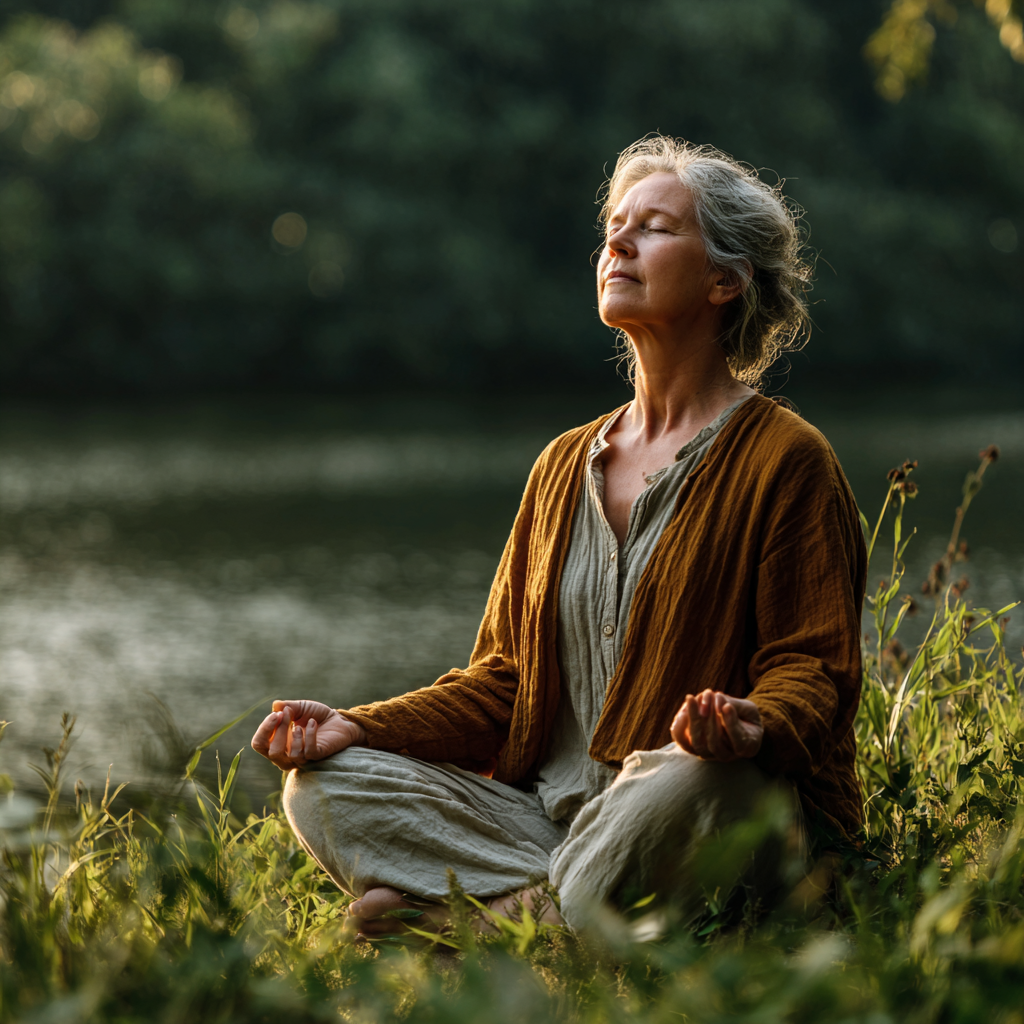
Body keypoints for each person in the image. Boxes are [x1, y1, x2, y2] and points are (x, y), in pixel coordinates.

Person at [251, 135, 867, 937]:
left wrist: (754, 723)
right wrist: (363, 726)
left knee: (694, 781)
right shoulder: (561, 466)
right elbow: (504, 682)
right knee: (325, 785)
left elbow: (813, 668)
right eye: (615, 225)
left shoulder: (787, 459)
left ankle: (475, 926)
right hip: (550, 821)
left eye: (653, 227)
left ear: (725, 279)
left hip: (694, 807)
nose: (616, 243)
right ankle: (580, 911)